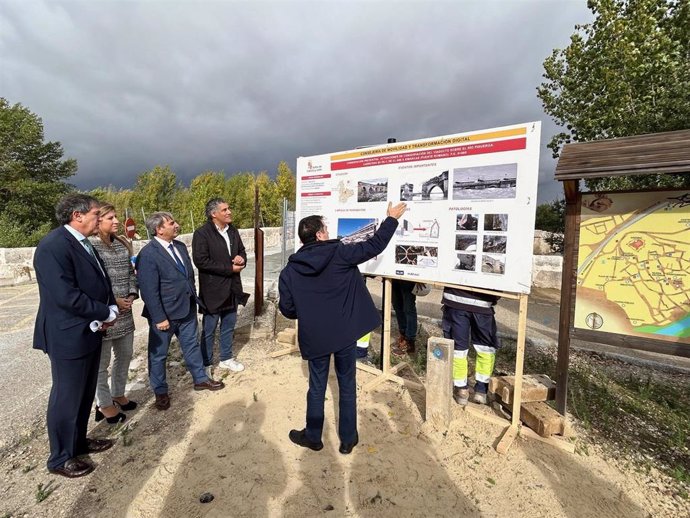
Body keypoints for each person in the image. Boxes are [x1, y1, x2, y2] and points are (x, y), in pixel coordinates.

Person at [279, 201, 406, 454]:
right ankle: (348, 440)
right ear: (318, 235)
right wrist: (391, 219)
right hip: (345, 333)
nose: (328, 232)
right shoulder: (341, 253)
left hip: (315, 337)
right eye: (325, 229)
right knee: (347, 384)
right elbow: (375, 245)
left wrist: (309, 312)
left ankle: (313, 436)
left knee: (316, 387)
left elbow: (288, 309)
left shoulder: (290, 271)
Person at [33, 193, 118, 478]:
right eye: (96, 214)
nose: (99, 219)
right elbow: (65, 296)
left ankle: (78, 442)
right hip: (68, 333)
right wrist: (104, 313)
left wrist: (108, 309)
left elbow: (98, 281)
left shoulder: (82, 243)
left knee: (83, 394)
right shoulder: (53, 246)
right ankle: (60, 457)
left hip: (88, 329)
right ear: (77, 215)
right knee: (67, 395)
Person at [137, 212, 224, 411]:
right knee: (158, 355)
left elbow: (187, 277)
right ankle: (160, 392)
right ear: (159, 229)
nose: (176, 225)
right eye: (171, 222)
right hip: (164, 315)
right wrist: (159, 317)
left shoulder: (180, 246)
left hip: (186, 309)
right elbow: (149, 291)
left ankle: (200, 379)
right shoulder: (148, 254)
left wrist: (193, 299)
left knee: (192, 345)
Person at [89, 204, 139, 424]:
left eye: (116, 217)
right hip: (105, 314)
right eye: (111, 217)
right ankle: (104, 404)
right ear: (98, 221)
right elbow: (90, 282)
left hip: (125, 312)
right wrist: (112, 302)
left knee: (125, 355)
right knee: (101, 364)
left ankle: (118, 393)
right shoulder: (90, 247)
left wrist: (131, 294)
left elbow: (130, 272)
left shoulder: (121, 243)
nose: (117, 221)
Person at [192, 198, 250, 376]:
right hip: (213, 291)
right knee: (209, 330)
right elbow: (201, 261)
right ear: (213, 214)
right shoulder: (202, 234)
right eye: (224, 210)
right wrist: (229, 268)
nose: (229, 212)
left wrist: (241, 259)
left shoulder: (232, 230)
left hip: (232, 288)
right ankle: (206, 364)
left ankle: (226, 359)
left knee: (228, 326)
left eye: (229, 208)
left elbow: (242, 251)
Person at [441, 286, 500, 405]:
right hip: (483, 302)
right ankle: (481, 391)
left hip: (456, 301)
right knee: (485, 348)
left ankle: (461, 389)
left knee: (458, 349)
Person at [391, 279, 417, 355]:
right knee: (397, 306)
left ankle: (409, 341)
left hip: (408, 276)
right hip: (393, 275)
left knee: (409, 308)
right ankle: (403, 335)